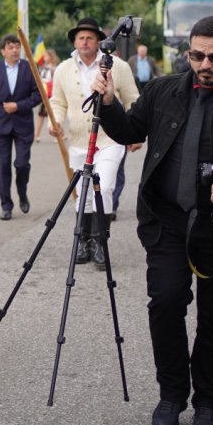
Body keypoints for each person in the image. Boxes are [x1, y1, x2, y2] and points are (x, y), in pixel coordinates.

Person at [92, 16, 213, 425]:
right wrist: (108, 102)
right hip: (166, 221)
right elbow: (129, 129)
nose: (204, 64)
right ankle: (171, 395)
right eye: (197, 55)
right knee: (164, 304)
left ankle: (208, 401)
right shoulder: (163, 90)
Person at [49, 18, 141, 268]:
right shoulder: (63, 69)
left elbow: (133, 99)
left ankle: (101, 242)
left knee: (106, 186)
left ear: (99, 41)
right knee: (83, 194)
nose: (85, 41)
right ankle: (83, 242)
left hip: (110, 139)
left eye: (90, 37)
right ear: (74, 42)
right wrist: (55, 122)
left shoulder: (117, 66)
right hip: (79, 141)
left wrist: (135, 133)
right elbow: (57, 102)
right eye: (81, 38)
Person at [0, 34, 42, 220]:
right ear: (3, 51)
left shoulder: (29, 67)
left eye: (17, 46)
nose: (15, 50)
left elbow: (39, 95)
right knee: (4, 165)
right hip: (1, 125)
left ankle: (22, 194)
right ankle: (6, 205)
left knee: (22, 164)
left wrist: (19, 105)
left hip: (23, 124)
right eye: (10, 46)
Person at [35, 48, 59, 141]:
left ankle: (59, 134)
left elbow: (56, 81)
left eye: (46, 56)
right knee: (41, 114)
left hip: (52, 94)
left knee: (52, 115)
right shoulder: (43, 68)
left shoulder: (55, 68)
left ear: (51, 56)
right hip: (44, 94)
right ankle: (36, 135)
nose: (44, 57)